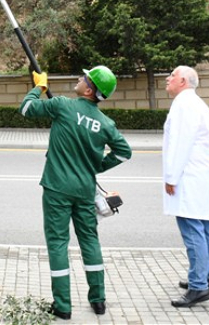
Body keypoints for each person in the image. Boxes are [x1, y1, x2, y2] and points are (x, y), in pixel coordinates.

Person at [19, 66, 132, 320]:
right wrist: (97, 166)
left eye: (84, 78)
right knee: (90, 242)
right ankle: (98, 300)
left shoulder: (62, 106)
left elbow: (26, 108)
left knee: (58, 244)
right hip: (84, 190)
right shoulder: (105, 123)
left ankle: (63, 306)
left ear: (90, 90)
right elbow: (124, 152)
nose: (79, 79)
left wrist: (40, 87)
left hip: (56, 188)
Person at [163, 66, 209, 308]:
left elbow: (180, 144)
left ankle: (198, 287)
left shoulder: (183, 104)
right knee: (204, 229)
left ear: (183, 81)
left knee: (193, 231)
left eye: (172, 75)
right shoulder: (197, 103)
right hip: (200, 177)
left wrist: (171, 177)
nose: (168, 78)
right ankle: (203, 278)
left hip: (188, 177)